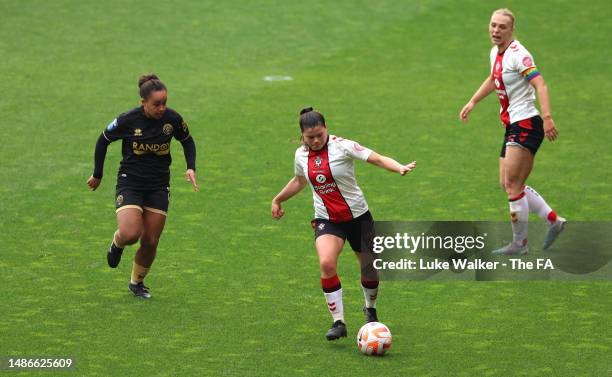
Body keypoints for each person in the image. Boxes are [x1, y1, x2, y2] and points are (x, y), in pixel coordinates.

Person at [271, 107, 416, 340]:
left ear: (326, 128)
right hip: (327, 220)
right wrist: (278, 199)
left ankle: (370, 310)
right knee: (327, 263)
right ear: (302, 136)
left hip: (358, 216)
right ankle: (339, 322)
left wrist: (398, 166)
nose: (316, 140)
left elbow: (375, 158)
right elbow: (299, 181)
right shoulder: (300, 155)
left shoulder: (343, 146)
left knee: (370, 268)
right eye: (310, 137)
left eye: (319, 134)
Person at [459, 8, 566, 255]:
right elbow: (494, 78)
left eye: (502, 27)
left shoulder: (519, 55)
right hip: (513, 125)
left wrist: (548, 117)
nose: (496, 31)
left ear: (511, 30)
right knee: (507, 183)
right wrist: (473, 101)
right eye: (493, 25)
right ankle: (553, 221)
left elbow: (540, 84)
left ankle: (520, 244)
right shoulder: (496, 53)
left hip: (527, 123)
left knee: (513, 186)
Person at [87, 73, 198, 298]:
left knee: (150, 240)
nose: (162, 108)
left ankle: (136, 282)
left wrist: (190, 167)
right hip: (131, 183)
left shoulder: (173, 120)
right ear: (143, 102)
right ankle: (117, 243)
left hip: (158, 185)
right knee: (130, 233)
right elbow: (103, 140)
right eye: (156, 104)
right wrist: (97, 174)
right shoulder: (128, 120)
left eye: (165, 102)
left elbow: (187, 141)